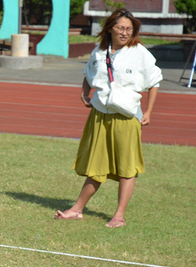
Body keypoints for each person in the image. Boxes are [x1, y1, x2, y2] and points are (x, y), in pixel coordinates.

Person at [54, 8, 162, 228]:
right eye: (120, 28)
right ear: (110, 28)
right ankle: (76, 209)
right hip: (100, 115)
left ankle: (119, 216)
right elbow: (88, 73)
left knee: (126, 167)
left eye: (129, 29)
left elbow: (154, 82)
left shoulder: (139, 52)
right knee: (96, 164)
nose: (124, 33)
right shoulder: (99, 51)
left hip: (126, 116)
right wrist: (85, 92)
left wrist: (148, 112)